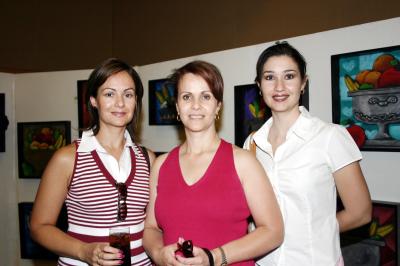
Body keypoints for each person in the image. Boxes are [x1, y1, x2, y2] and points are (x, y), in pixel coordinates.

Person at [143, 60, 283, 266]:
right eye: (186, 97)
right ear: (177, 107)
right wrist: (158, 254)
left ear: (218, 106)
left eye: (205, 96)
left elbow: (273, 231)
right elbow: (151, 228)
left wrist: (214, 257)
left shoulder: (243, 161)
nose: (196, 105)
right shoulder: (161, 165)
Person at [244, 41, 372, 266]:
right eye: (270, 77)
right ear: (259, 86)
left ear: (304, 83)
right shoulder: (252, 143)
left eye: (290, 76)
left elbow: (360, 212)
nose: (279, 86)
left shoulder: (330, 137)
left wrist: (313, 230)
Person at [30, 58, 155, 266]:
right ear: (93, 101)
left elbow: (153, 227)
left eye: (128, 94)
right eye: (109, 94)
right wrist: (83, 251)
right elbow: (39, 227)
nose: (120, 103)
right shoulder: (68, 158)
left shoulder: (148, 159)